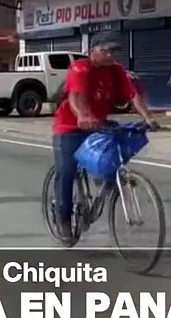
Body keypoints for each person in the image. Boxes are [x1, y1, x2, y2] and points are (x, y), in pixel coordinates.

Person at [51, 33, 159, 243]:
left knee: (116, 151)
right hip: (70, 127)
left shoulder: (116, 71)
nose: (110, 55)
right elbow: (76, 95)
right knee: (67, 172)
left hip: (97, 125)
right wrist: (83, 115)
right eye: (104, 51)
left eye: (113, 51)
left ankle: (105, 180)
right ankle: (63, 219)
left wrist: (148, 118)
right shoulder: (81, 68)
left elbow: (132, 95)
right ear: (91, 52)